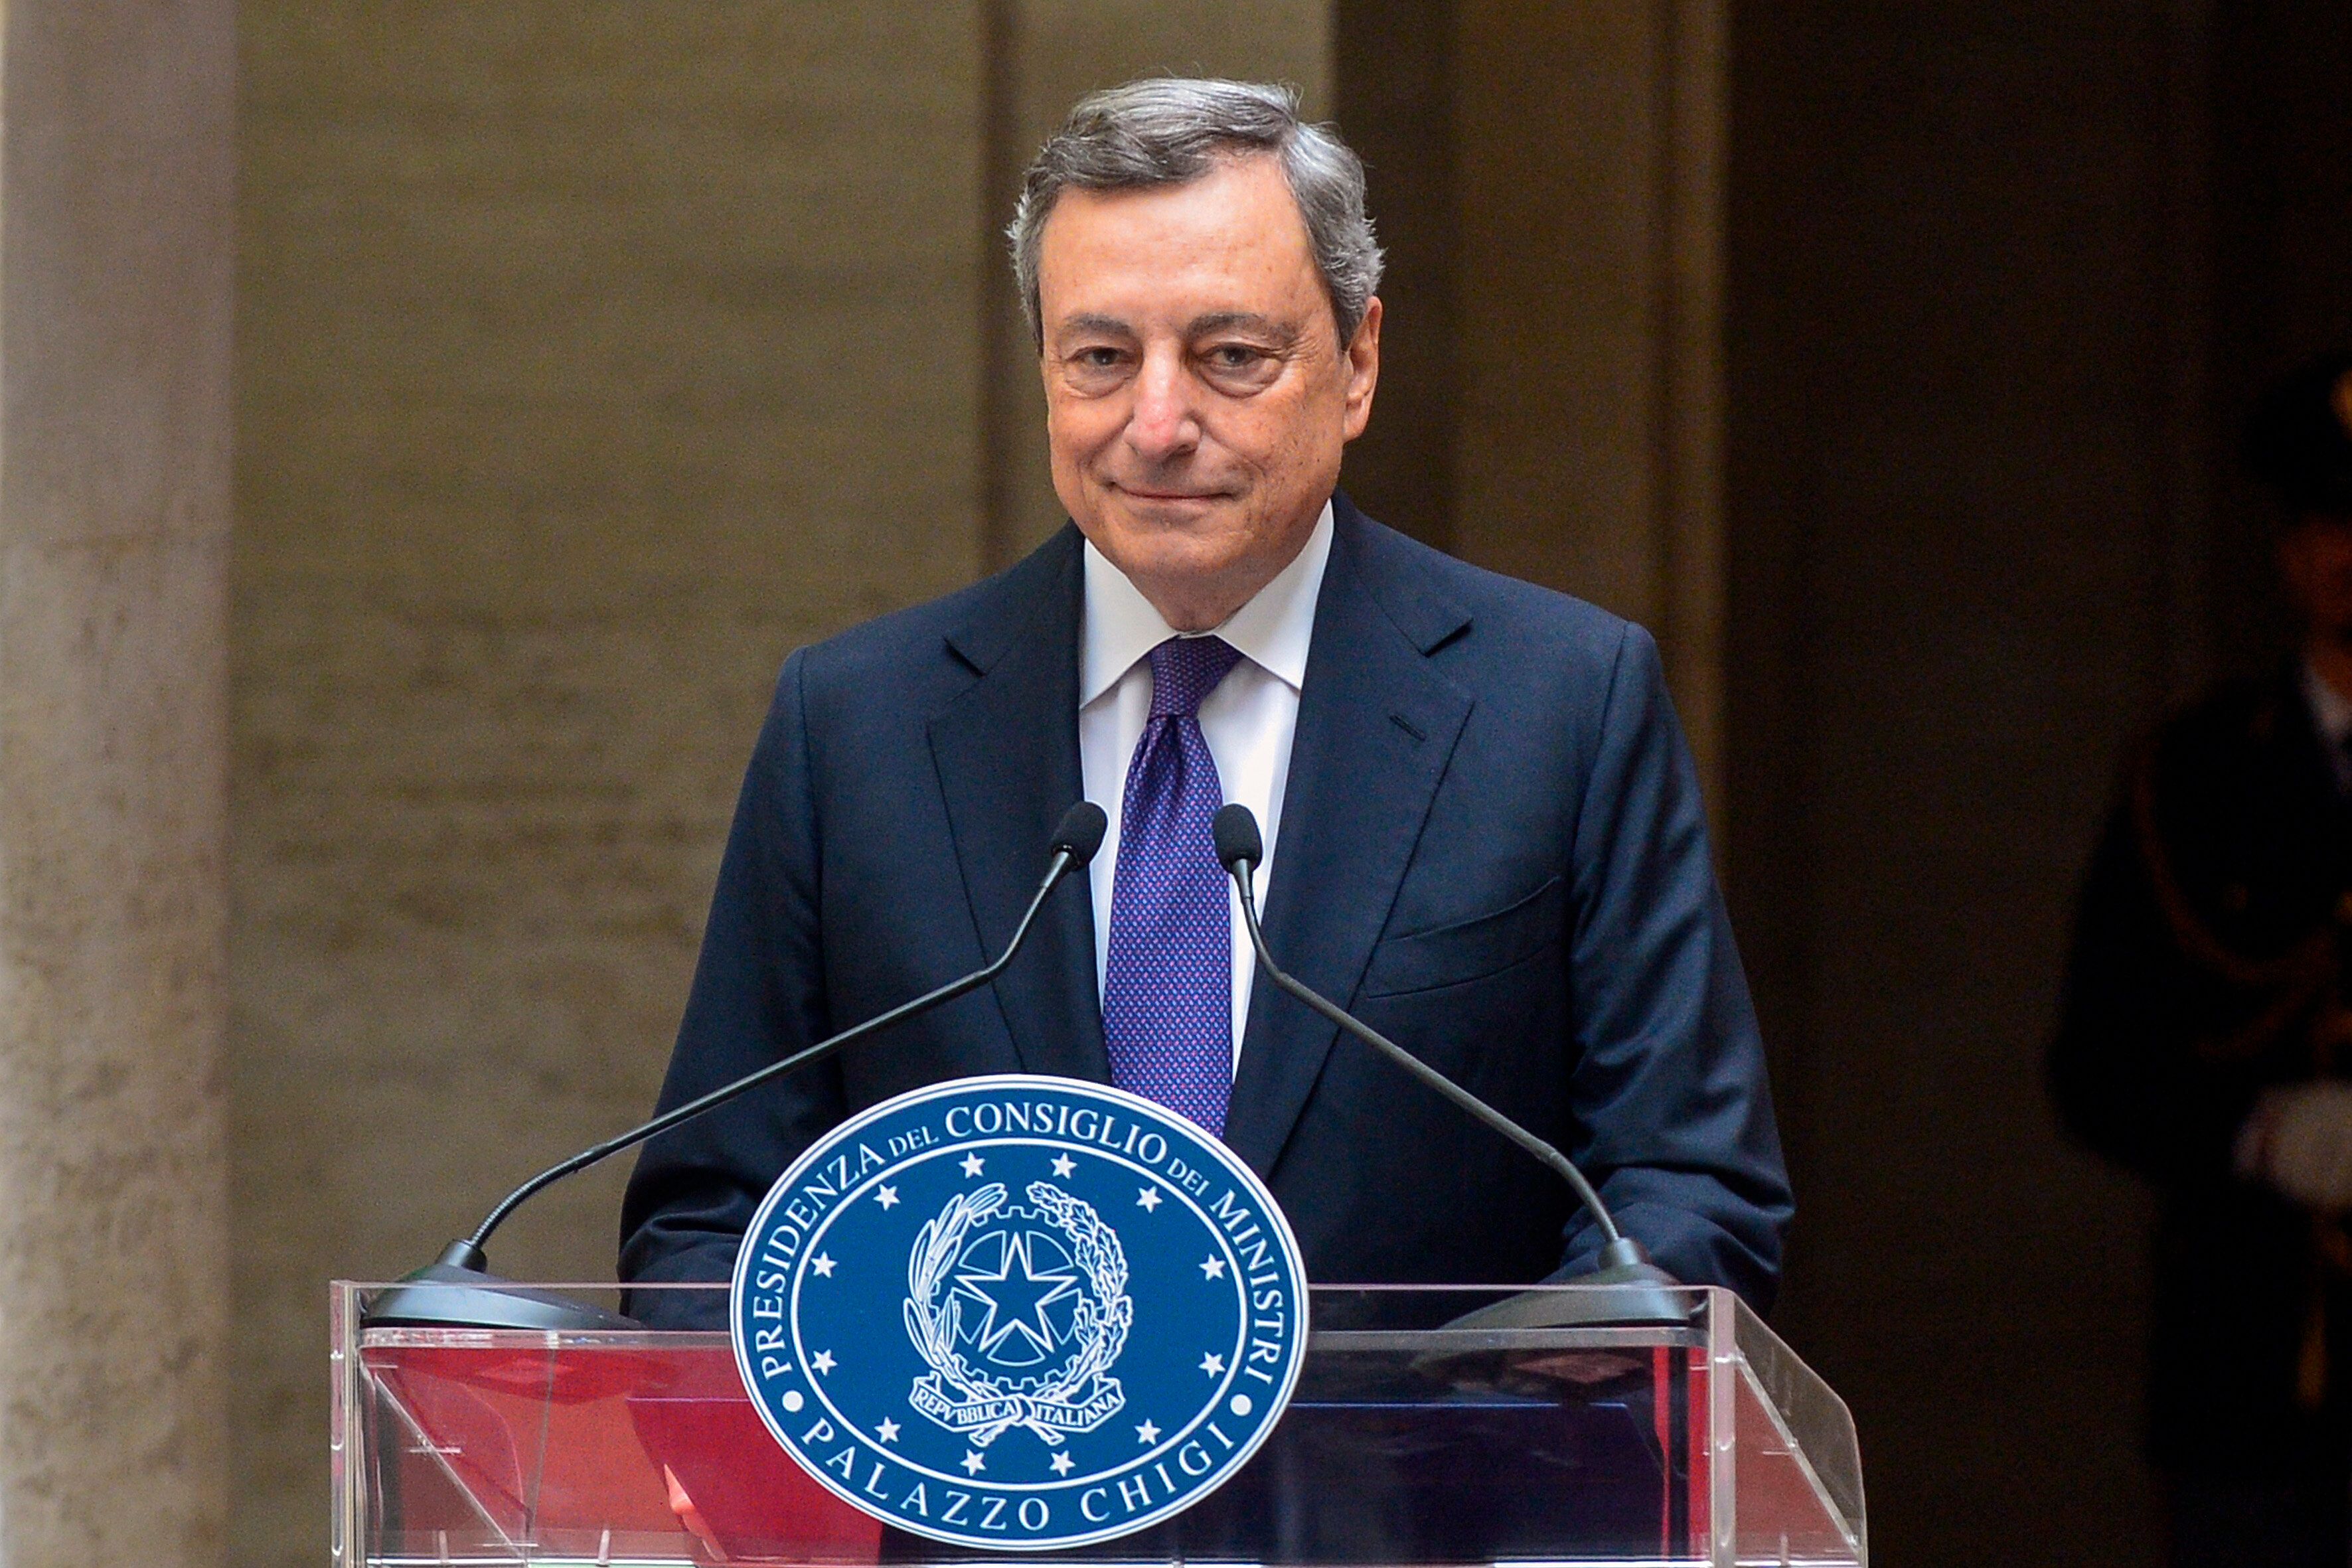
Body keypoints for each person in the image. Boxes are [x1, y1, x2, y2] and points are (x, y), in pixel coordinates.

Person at [619, 78, 1790, 1329]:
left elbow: (1684, 1191)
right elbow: (705, 1217)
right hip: (989, 1507)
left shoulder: (1559, 703)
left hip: (1422, 1506)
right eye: (1103, 357)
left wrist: (1508, 1396)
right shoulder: (856, 727)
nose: (1158, 423)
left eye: (1232, 355)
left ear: (1357, 363)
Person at [2053, 349, 2352, 1568]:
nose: (2349, 552)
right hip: (2248, 1380)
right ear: (2286, 549)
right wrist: (2260, 1132)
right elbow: (2097, 1065)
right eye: (2326, 519)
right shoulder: (2197, 773)